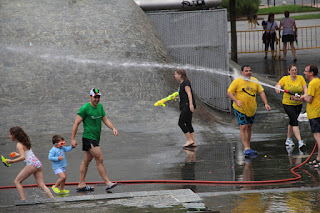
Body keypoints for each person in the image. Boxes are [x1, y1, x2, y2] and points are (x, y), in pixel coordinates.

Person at [71, 88, 118, 191]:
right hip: (89, 137)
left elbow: (105, 119)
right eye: (95, 97)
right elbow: (76, 123)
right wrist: (73, 139)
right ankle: (108, 182)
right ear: (90, 97)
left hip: (95, 138)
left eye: (98, 97)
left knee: (86, 161)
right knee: (99, 158)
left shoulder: (100, 107)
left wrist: (113, 128)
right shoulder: (85, 108)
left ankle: (81, 184)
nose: (97, 99)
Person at [227, 65, 271, 156]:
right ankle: (246, 148)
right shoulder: (237, 82)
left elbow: (261, 92)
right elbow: (229, 92)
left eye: (250, 70)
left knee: (249, 126)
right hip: (240, 108)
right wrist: (236, 100)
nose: (248, 72)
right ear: (242, 72)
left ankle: (248, 146)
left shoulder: (255, 81)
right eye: (246, 71)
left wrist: (266, 103)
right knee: (243, 126)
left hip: (251, 108)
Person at [6, 126, 54, 200]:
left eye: (10, 134)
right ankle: (52, 198)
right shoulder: (26, 142)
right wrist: (17, 154)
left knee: (17, 181)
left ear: (14, 135)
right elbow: (27, 154)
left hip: (31, 165)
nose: (9, 136)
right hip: (37, 163)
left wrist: (11, 161)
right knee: (41, 184)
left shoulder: (19, 145)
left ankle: (23, 200)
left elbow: (23, 157)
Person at [275, 64, 307, 152]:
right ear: (289, 71)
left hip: (298, 103)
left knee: (292, 121)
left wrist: (303, 96)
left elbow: (305, 90)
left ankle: (288, 139)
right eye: (292, 70)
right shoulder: (285, 79)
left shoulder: (300, 78)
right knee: (294, 121)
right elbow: (278, 84)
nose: (294, 72)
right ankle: (300, 141)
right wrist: (278, 87)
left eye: (295, 70)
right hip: (287, 104)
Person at [293, 65, 320, 168]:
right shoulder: (318, 81)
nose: (304, 73)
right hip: (318, 112)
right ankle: (318, 159)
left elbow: (309, 99)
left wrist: (299, 99)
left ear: (311, 73)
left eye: (305, 71)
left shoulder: (312, 83)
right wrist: (300, 98)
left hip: (314, 113)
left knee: (317, 137)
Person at [174, 68, 197, 148]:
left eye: (176, 74)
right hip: (185, 104)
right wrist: (177, 98)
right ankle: (193, 142)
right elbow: (184, 95)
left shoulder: (185, 83)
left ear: (180, 75)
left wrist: (191, 104)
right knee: (188, 123)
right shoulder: (182, 83)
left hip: (187, 105)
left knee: (180, 123)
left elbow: (189, 94)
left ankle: (189, 140)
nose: (175, 76)